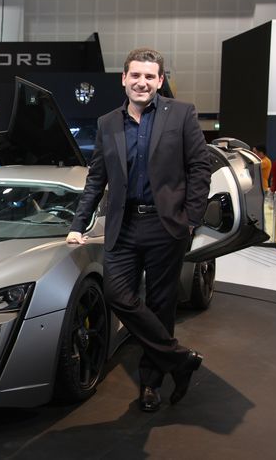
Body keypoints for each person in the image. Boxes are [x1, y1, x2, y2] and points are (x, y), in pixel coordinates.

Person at [66, 48, 211, 412]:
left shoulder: (182, 113)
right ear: (124, 79)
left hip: (166, 226)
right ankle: (179, 359)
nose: (142, 82)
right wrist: (78, 224)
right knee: (117, 295)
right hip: (124, 225)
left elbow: (200, 168)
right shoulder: (107, 123)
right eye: (135, 75)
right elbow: (96, 179)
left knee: (161, 306)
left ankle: (150, 384)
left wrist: (191, 219)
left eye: (149, 76)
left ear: (160, 80)